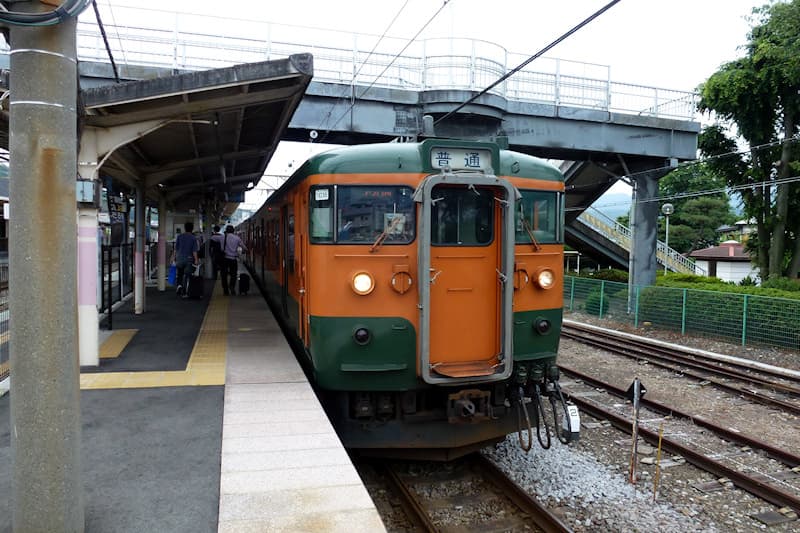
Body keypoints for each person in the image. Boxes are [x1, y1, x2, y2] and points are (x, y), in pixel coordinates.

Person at [172, 221, 198, 296]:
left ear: (185, 228)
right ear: (192, 229)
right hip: (189, 259)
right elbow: (194, 251)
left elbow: (175, 249)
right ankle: (185, 290)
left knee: (180, 273)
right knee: (187, 275)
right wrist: (196, 260)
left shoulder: (180, 236)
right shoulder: (193, 238)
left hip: (179, 258)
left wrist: (173, 258)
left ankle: (179, 286)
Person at [220, 224, 247, 296]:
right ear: (233, 231)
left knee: (224, 275)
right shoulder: (237, 238)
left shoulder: (222, 238)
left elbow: (221, 248)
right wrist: (244, 251)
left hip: (225, 259)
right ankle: (232, 287)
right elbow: (244, 248)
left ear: (226, 231)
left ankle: (225, 290)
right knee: (233, 274)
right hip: (233, 259)